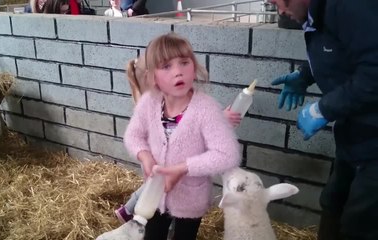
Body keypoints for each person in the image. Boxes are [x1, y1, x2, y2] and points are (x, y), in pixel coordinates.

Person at [268, 0, 378, 239]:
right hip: (355, 132)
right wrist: (305, 75)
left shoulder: (349, 6)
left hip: (373, 137)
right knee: (332, 203)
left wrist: (323, 109)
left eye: (280, 2)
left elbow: (374, 70)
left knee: (361, 222)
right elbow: (342, 51)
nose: (281, 11)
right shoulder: (320, 13)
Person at [123, 33, 241, 240]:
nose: (178, 72)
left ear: (194, 67)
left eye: (184, 63)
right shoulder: (149, 103)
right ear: (153, 77)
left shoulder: (206, 109)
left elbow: (227, 154)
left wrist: (182, 168)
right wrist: (145, 156)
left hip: (191, 198)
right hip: (154, 195)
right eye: (166, 66)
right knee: (152, 236)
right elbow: (133, 135)